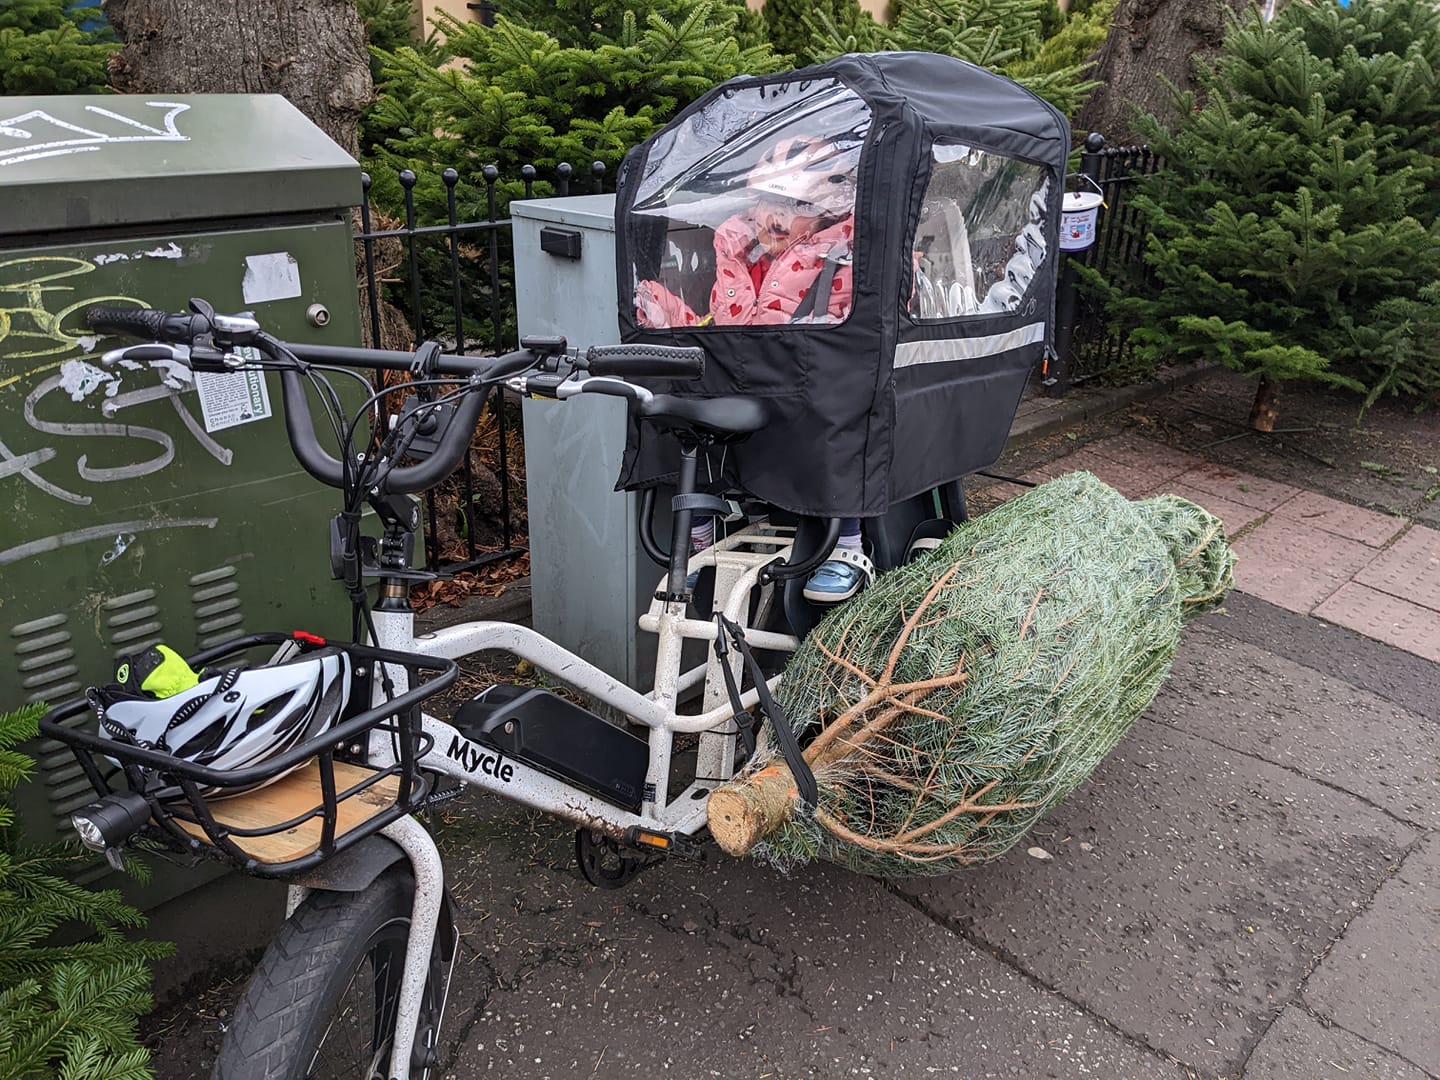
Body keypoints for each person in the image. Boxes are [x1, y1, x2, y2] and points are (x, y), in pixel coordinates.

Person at [635, 134, 871, 603]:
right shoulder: (745, 256)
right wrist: (671, 317)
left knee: (838, 414)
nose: (774, 218)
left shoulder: (847, 257)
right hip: (748, 379)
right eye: (766, 201)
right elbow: (720, 325)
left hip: (812, 383)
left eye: (795, 204)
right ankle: (701, 531)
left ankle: (848, 542)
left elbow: (859, 332)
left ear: (829, 210)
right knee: (674, 403)